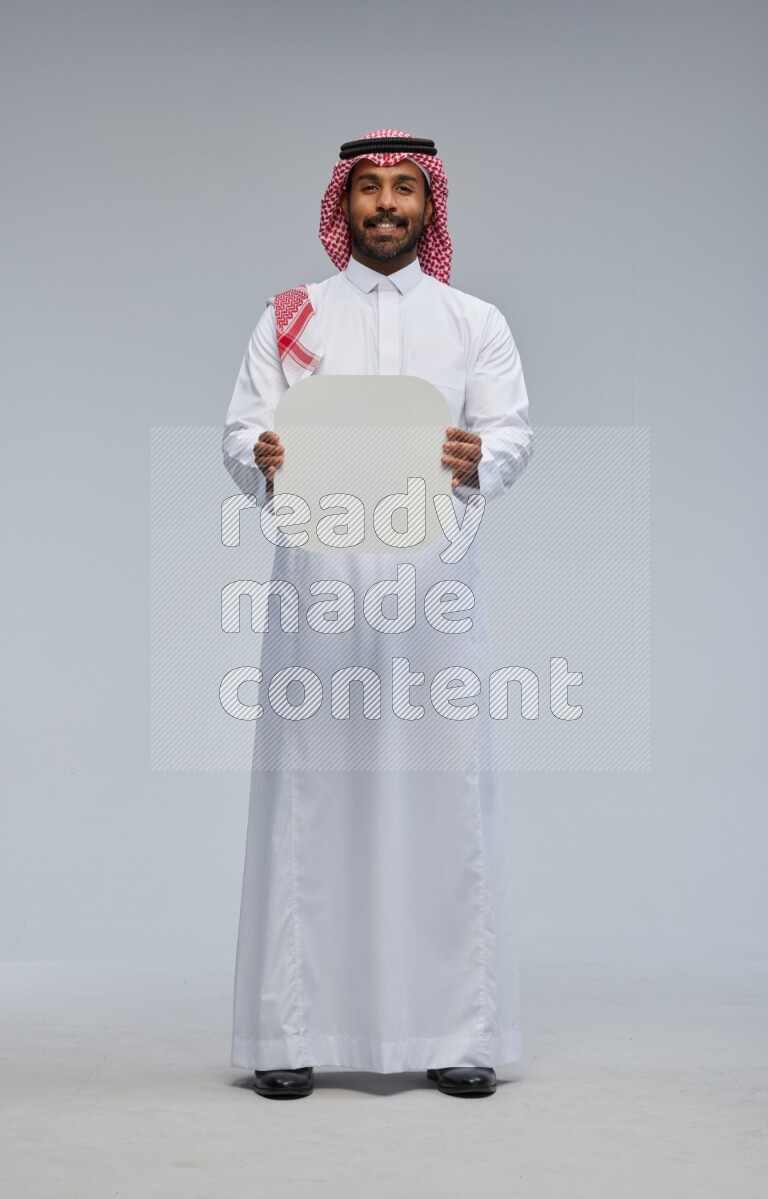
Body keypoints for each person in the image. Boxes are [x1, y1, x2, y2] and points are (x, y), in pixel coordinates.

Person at [221, 129, 533, 1099]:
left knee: (441, 797)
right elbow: (241, 429)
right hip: (317, 593)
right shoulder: (290, 320)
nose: (387, 204)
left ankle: (456, 1029)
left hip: (428, 596)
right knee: (311, 796)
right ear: (342, 205)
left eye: (404, 189)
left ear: (429, 207)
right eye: (369, 190)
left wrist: (477, 456)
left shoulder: (473, 321)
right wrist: (258, 457)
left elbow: (511, 428)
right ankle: (290, 1029)